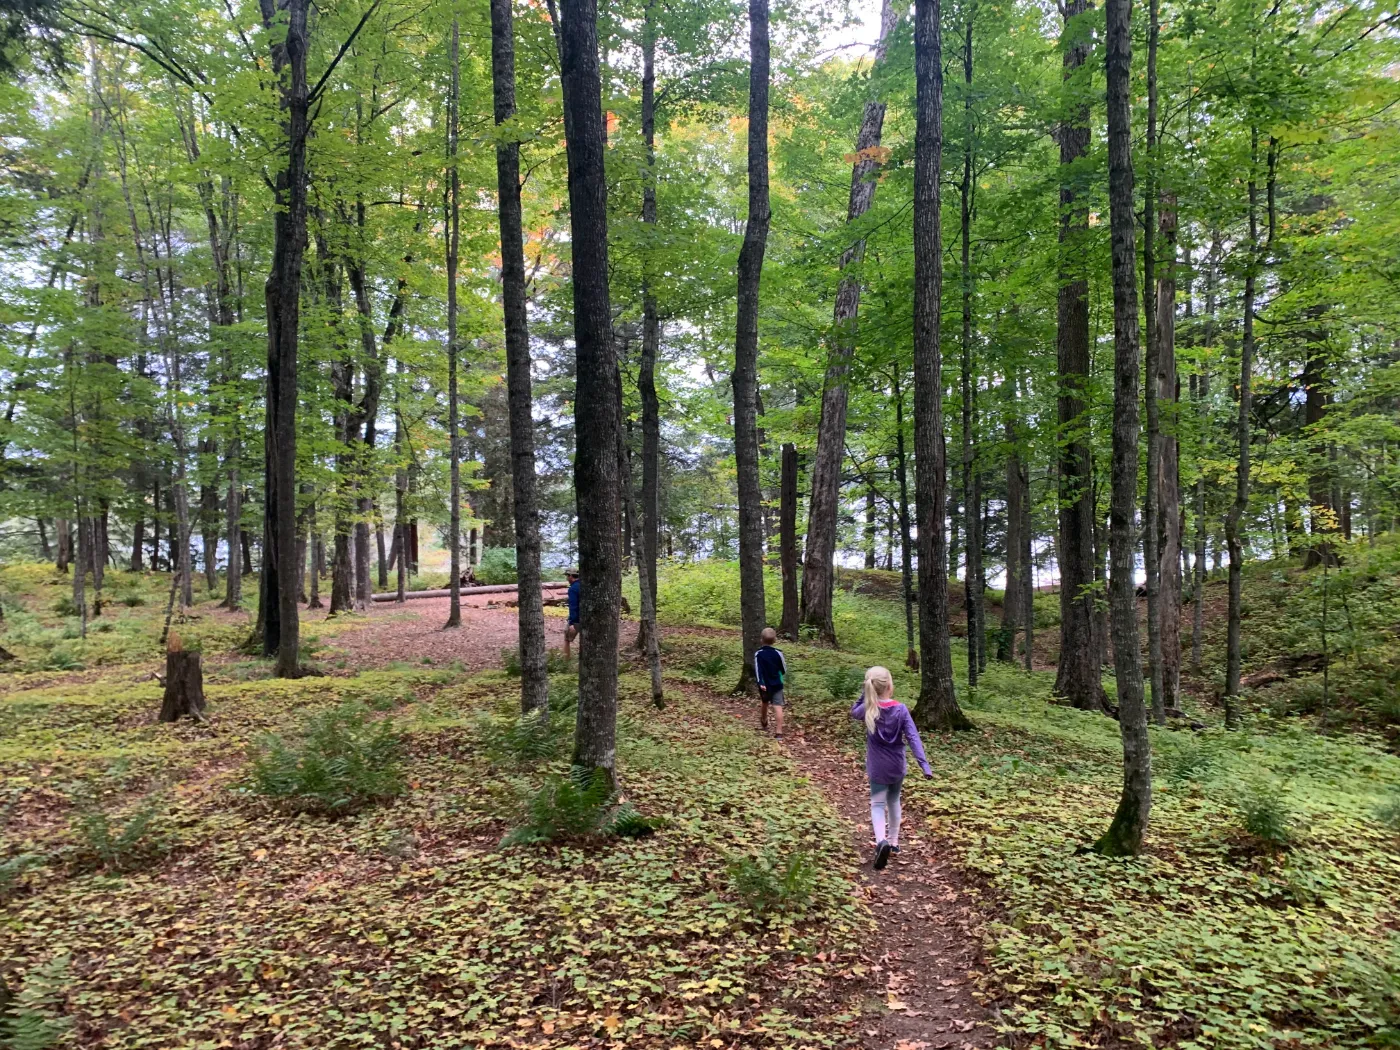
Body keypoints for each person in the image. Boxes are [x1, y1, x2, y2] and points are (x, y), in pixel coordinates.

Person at [850, 666, 931, 871]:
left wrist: (865, 693)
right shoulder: (901, 709)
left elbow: (854, 712)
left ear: (870, 687)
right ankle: (894, 842)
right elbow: (913, 737)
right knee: (894, 800)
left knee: (877, 804)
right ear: (889, 686)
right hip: (897, 765)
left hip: (878, 766)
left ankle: (881, 841)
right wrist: (924, 764)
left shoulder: (868, 708)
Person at [753, 627, 788, 738]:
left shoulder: (759, 654)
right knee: (778, 706)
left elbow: (758, 670)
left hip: (765, 684)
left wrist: (760, 682)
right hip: (777, 682)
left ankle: (764, 720)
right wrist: (780, 674)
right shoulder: (779, 653)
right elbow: (783, 668)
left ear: (761, 639)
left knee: (765, 702)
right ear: (775, 640)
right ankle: (779, 732)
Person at [563, 568, 581, 658]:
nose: (566, 578)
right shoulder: (585, 585)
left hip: (577, 620)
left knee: (567, 640)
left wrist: (571, 623)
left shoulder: (573, 589)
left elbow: (573, 607)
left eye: (567, 576)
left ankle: (565, 663)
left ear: (570, 576)